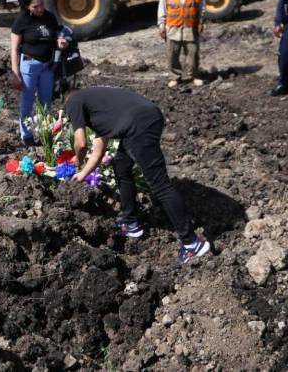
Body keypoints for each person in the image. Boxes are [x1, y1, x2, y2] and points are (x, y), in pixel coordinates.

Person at [64, 86, 210, 265]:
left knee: (160, 184)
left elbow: (80, 143)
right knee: (121, 166)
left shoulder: (73, 101)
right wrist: (83, 173)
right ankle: (131, 222)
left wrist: (77, 160)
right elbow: (98, 152)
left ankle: (192, 243)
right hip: (145, 117)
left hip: (137, 125)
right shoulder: (100, 109)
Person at [11, 0, 69, 145]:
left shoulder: (49, 17)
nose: (40, 8)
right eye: (35, 6)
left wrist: (59, 42)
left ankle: (45, 134)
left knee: (46, 102)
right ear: (28, 7)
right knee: (27, 102)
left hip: (47, 66)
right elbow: (14, 48)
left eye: (41, 4)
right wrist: (15, 73)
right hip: (29, 65)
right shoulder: (22, 21)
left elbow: (54, 36)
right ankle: (27, 136)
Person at [158, 0, 205, 88]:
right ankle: (175, 77)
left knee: (192, 52)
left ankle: (193, 75)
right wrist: (161, 24)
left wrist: (201, 20)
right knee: (172, 53)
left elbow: (201, 3)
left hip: (191, 24)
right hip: (173, 25)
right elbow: (162, 5)